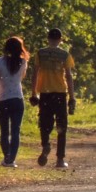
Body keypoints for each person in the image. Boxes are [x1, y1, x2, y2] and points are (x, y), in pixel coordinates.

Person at [30, 28, 76, 168]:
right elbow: (68, 76)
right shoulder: (65, 55)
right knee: (61, 127)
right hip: (60, 94)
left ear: (48, 39)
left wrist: (34, 93)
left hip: (45, 94)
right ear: (60, 40)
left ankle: (46, 145)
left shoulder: (40, 54)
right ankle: (60, 159)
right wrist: (72, 97)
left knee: (44, 124)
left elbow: (35, 74)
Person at [0, 36, 29, 168]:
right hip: (17, 99)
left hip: (2, 99)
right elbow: (21, 78)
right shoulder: (23, 62)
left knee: (4, 131)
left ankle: (7, 158)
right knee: (15, 130)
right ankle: (11, 160)